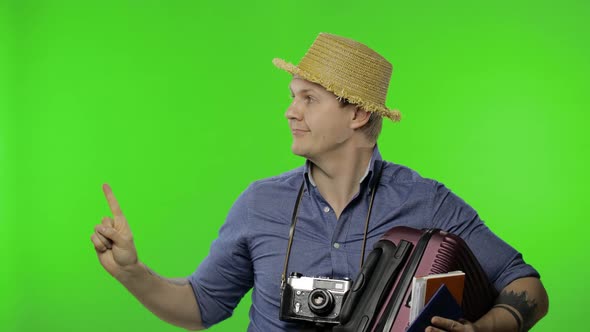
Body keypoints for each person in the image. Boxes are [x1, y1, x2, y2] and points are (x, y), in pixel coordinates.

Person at [91, 33, 548, 332]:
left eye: (309, 99)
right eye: (292, 98)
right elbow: (201, 306)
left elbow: (525, 283)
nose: (291, 112)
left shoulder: (427, 201)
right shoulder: (259, 203)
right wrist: (133, 273)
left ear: (357, 113)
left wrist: (487, 327)